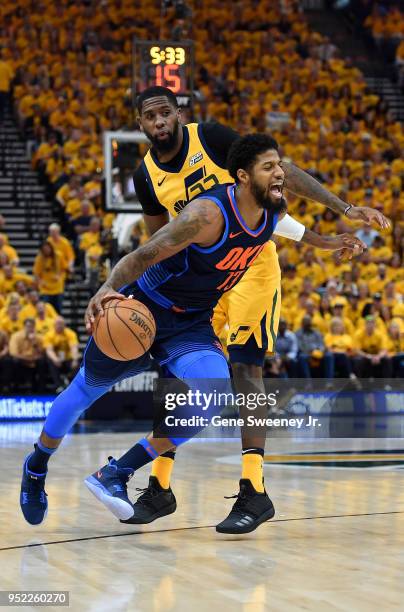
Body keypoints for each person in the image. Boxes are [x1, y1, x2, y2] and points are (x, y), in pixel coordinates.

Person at [20, 134, 365, 533]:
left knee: (212, 394)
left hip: (191, 323)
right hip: (144, 309)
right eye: (269, 167)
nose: (279, 173)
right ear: (242, 176)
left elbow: (293, 224)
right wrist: (106, 287)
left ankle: (116, 472)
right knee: (84, 391)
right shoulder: (205, 214)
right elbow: (144, 253)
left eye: (279, 166)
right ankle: (37, 465)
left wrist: (330, 236)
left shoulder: (270, 211)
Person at [129, 86, 386, 523]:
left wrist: (343, 208)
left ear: (177, 113)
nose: (159, 121)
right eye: (150, 116)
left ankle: (254, 490)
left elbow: (278, 175)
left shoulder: (210, 137)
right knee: (174, 374)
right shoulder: (145, 177)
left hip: (251, 265)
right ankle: (160, 487)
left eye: (165, 112)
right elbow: (159, 243)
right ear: (140, 123)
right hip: (199, 280)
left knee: (246, 368)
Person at [9, 318, 47, 392]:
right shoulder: (16, 336)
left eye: (32, 327)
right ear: (24, 327)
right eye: (28, 326)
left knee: (42, 362)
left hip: (34, 362)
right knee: (14, 361)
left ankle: (41, 389)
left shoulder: (39, 337)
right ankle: (15, 388)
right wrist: (28, 359)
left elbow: (42, 353)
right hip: (22, 361)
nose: (30, 329)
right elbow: (13, 353)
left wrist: (34, 343)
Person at [43, 317, 79, 392]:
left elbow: (74, 347)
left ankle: (74, 387)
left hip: (67, 359)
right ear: (54, 325)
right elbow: (49, 350)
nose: (59, 326)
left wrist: (75, 359)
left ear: (64, 325)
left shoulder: (70, 333)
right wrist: (55, 359)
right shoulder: (49, 335)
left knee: (77, 363)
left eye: (61, 324)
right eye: (57, 324)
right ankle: (58, 386)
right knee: (49, 360)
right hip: (56, 359)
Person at [33, 241, 66, 313]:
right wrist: (40, 282)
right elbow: (36, 273)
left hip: (57, 288)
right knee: (46, 310)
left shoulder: (59, 255)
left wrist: (60, 278)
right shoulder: (39, 258)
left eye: (48, 248)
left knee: (58, 310)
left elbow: (64, 269)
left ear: (51, 248)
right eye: (44, 249)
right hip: (45, 289)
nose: (46, 251)